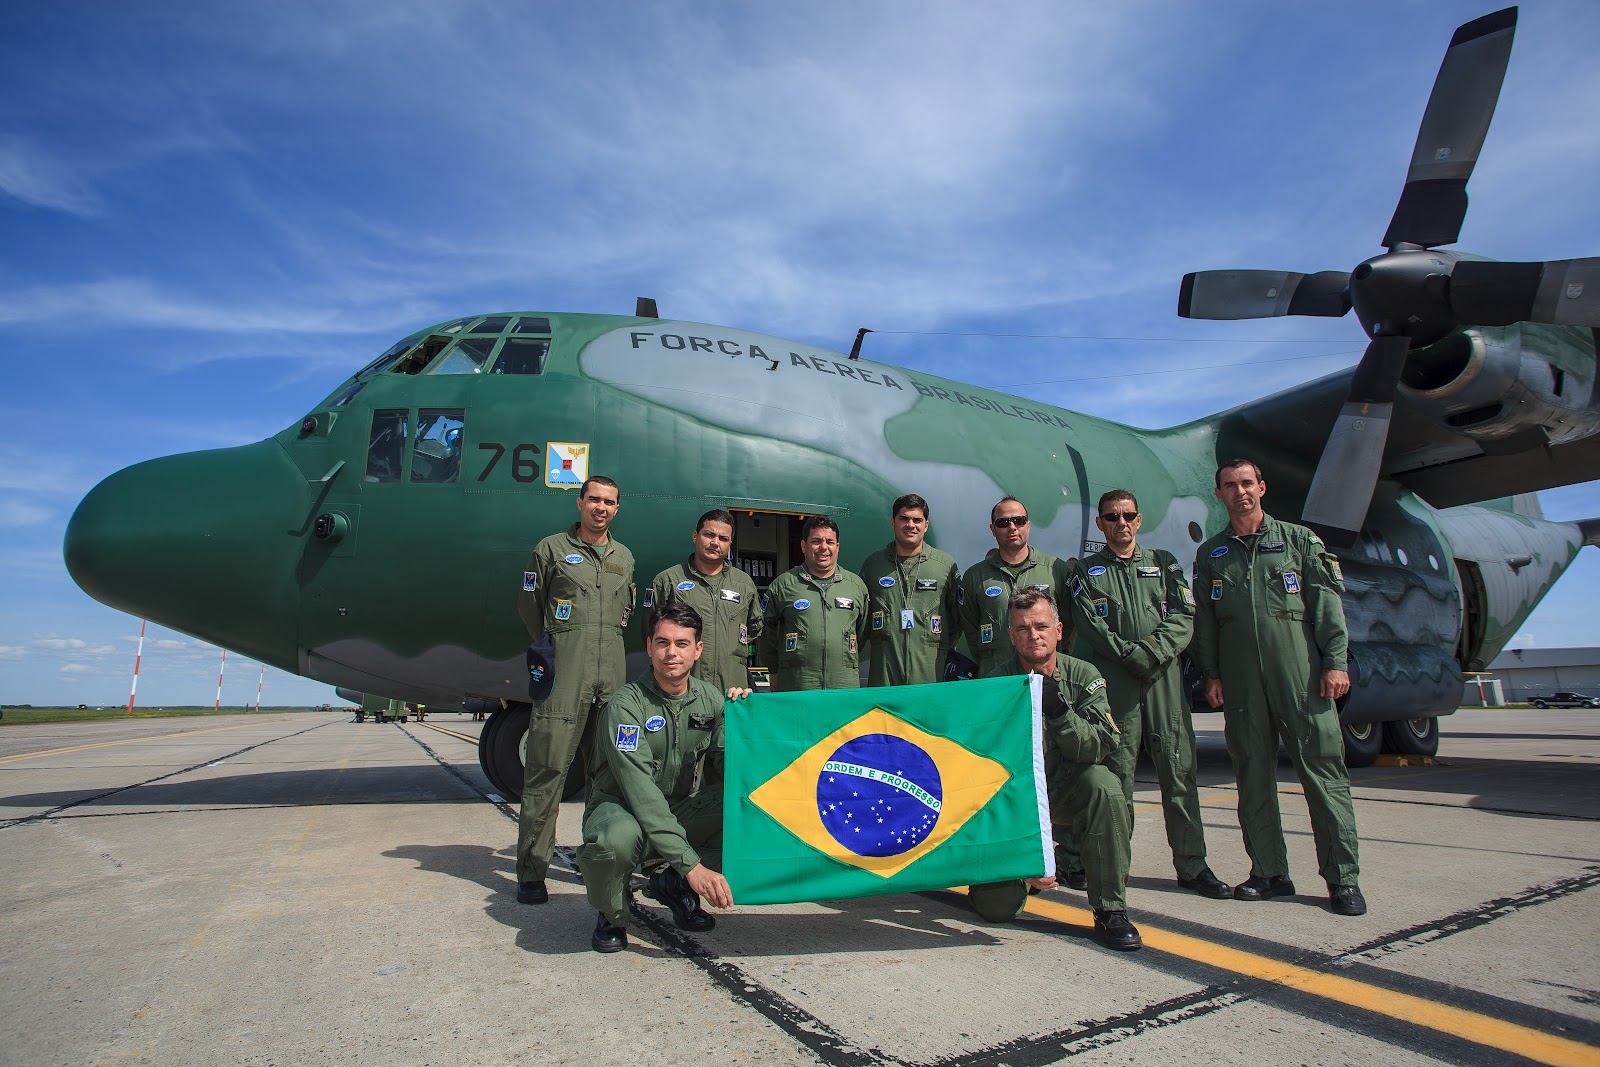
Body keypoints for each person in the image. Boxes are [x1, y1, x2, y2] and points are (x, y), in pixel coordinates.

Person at [1191, 460, 1365, 916]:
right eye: (1230, 486)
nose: (1240, 492)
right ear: (1220, 495)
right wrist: (1210, 673)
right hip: (1243, 684)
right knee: (1252, 778)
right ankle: (1270, 872)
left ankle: (1342, 879)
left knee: (1323, 775)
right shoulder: (1212, 554)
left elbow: (1326, 605)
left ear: (1262, 488)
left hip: (1302, 678)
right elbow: (1206, 622)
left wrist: (1335, 663)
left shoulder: (1299, 541)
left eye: (1247, 483)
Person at [1066, 490, 1230, 899]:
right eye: (1112, 517)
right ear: (1101, 524)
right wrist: (1128, 654)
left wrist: (1151, 652)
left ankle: (1193, 866)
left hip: (1163, 685)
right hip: (1118, 688)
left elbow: (1184, 614)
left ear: (1139, 520)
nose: (1121, 523)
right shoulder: (1084, 574)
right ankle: (1115, 867)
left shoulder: (1164, 563)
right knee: (1118, 781)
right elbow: (1090, 625)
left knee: (1179, 776)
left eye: (1128, 515)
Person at [968, 589, 1142, 951]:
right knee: (995, 908)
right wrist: (1026, 853)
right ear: (1012, 636)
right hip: (1018, 802)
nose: (1034, 635)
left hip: (1065, 789)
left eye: (1042, 626)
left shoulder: (1083, 677)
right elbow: (983, 771)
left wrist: (1061, 713)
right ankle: (1037, 868)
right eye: (1024, 628)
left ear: (1059, 630)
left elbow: (1098, 746)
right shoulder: (999, 684)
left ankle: (1111, 909)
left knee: (1104, 786)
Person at [576, 601, 750, 952]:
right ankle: (613, 911)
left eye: (682, 644)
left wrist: (746, 715)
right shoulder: (625, 706)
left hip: (677, 809)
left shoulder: (710, 700)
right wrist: (693, 866)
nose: (672, 653)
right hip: (622, 808)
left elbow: (734, 764)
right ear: (649, 647)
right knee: (615, 841)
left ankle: (672, 885)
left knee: (745, 809)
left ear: (698, 650)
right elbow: (641, 794)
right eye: (663, 642)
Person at [513, 476, 636, 906]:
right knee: (547, 771)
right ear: (580, 502)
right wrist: (557, 646)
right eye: (594, 500)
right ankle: (532, 870)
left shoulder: (625, 557)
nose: (601, 508)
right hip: (566, 676)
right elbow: (530, 606)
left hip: (611, 679)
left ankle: (598, 864)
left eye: (610, 502)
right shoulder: (549, 550)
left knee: (607, 778)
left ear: (617, 508)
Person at [647, 509, 763, 696]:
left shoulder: (744, 584)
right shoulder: (668, 581)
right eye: (709, 535)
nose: (715, 543)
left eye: (723, 538)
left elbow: (754, 627)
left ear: (730, 543)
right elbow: (650, 630)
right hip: (682, 691)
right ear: (695, 536)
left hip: (732, 691)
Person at [958, 497, 1071, 677]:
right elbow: (971, 630)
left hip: (1045, 675)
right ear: (993, 529)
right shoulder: (975, 577)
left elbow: (1068, 623)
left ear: (1028, 525)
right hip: (996, 675)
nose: (1012, 527)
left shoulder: (1055, 570)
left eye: (1019, 521)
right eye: (1003, 522)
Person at [857, 494, 960, 686]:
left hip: (929, 674)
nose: (910, 525)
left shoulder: (944, 566)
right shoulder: (873, 566)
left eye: (917, 520)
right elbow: (861, 621)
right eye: (903, 518)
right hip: (885, 676)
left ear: (926, 525)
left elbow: (956, 619)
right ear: (892, 522)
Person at [758, 515, 870, 691]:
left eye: (829, 542)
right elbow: (765, 632)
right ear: (804, 546)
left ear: (837, 547)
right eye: (816, 541)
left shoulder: (855, 587)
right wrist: (775, 671)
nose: (823, 547)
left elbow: (862, 631)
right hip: (798, 684)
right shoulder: (784, 585)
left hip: (843, 684)